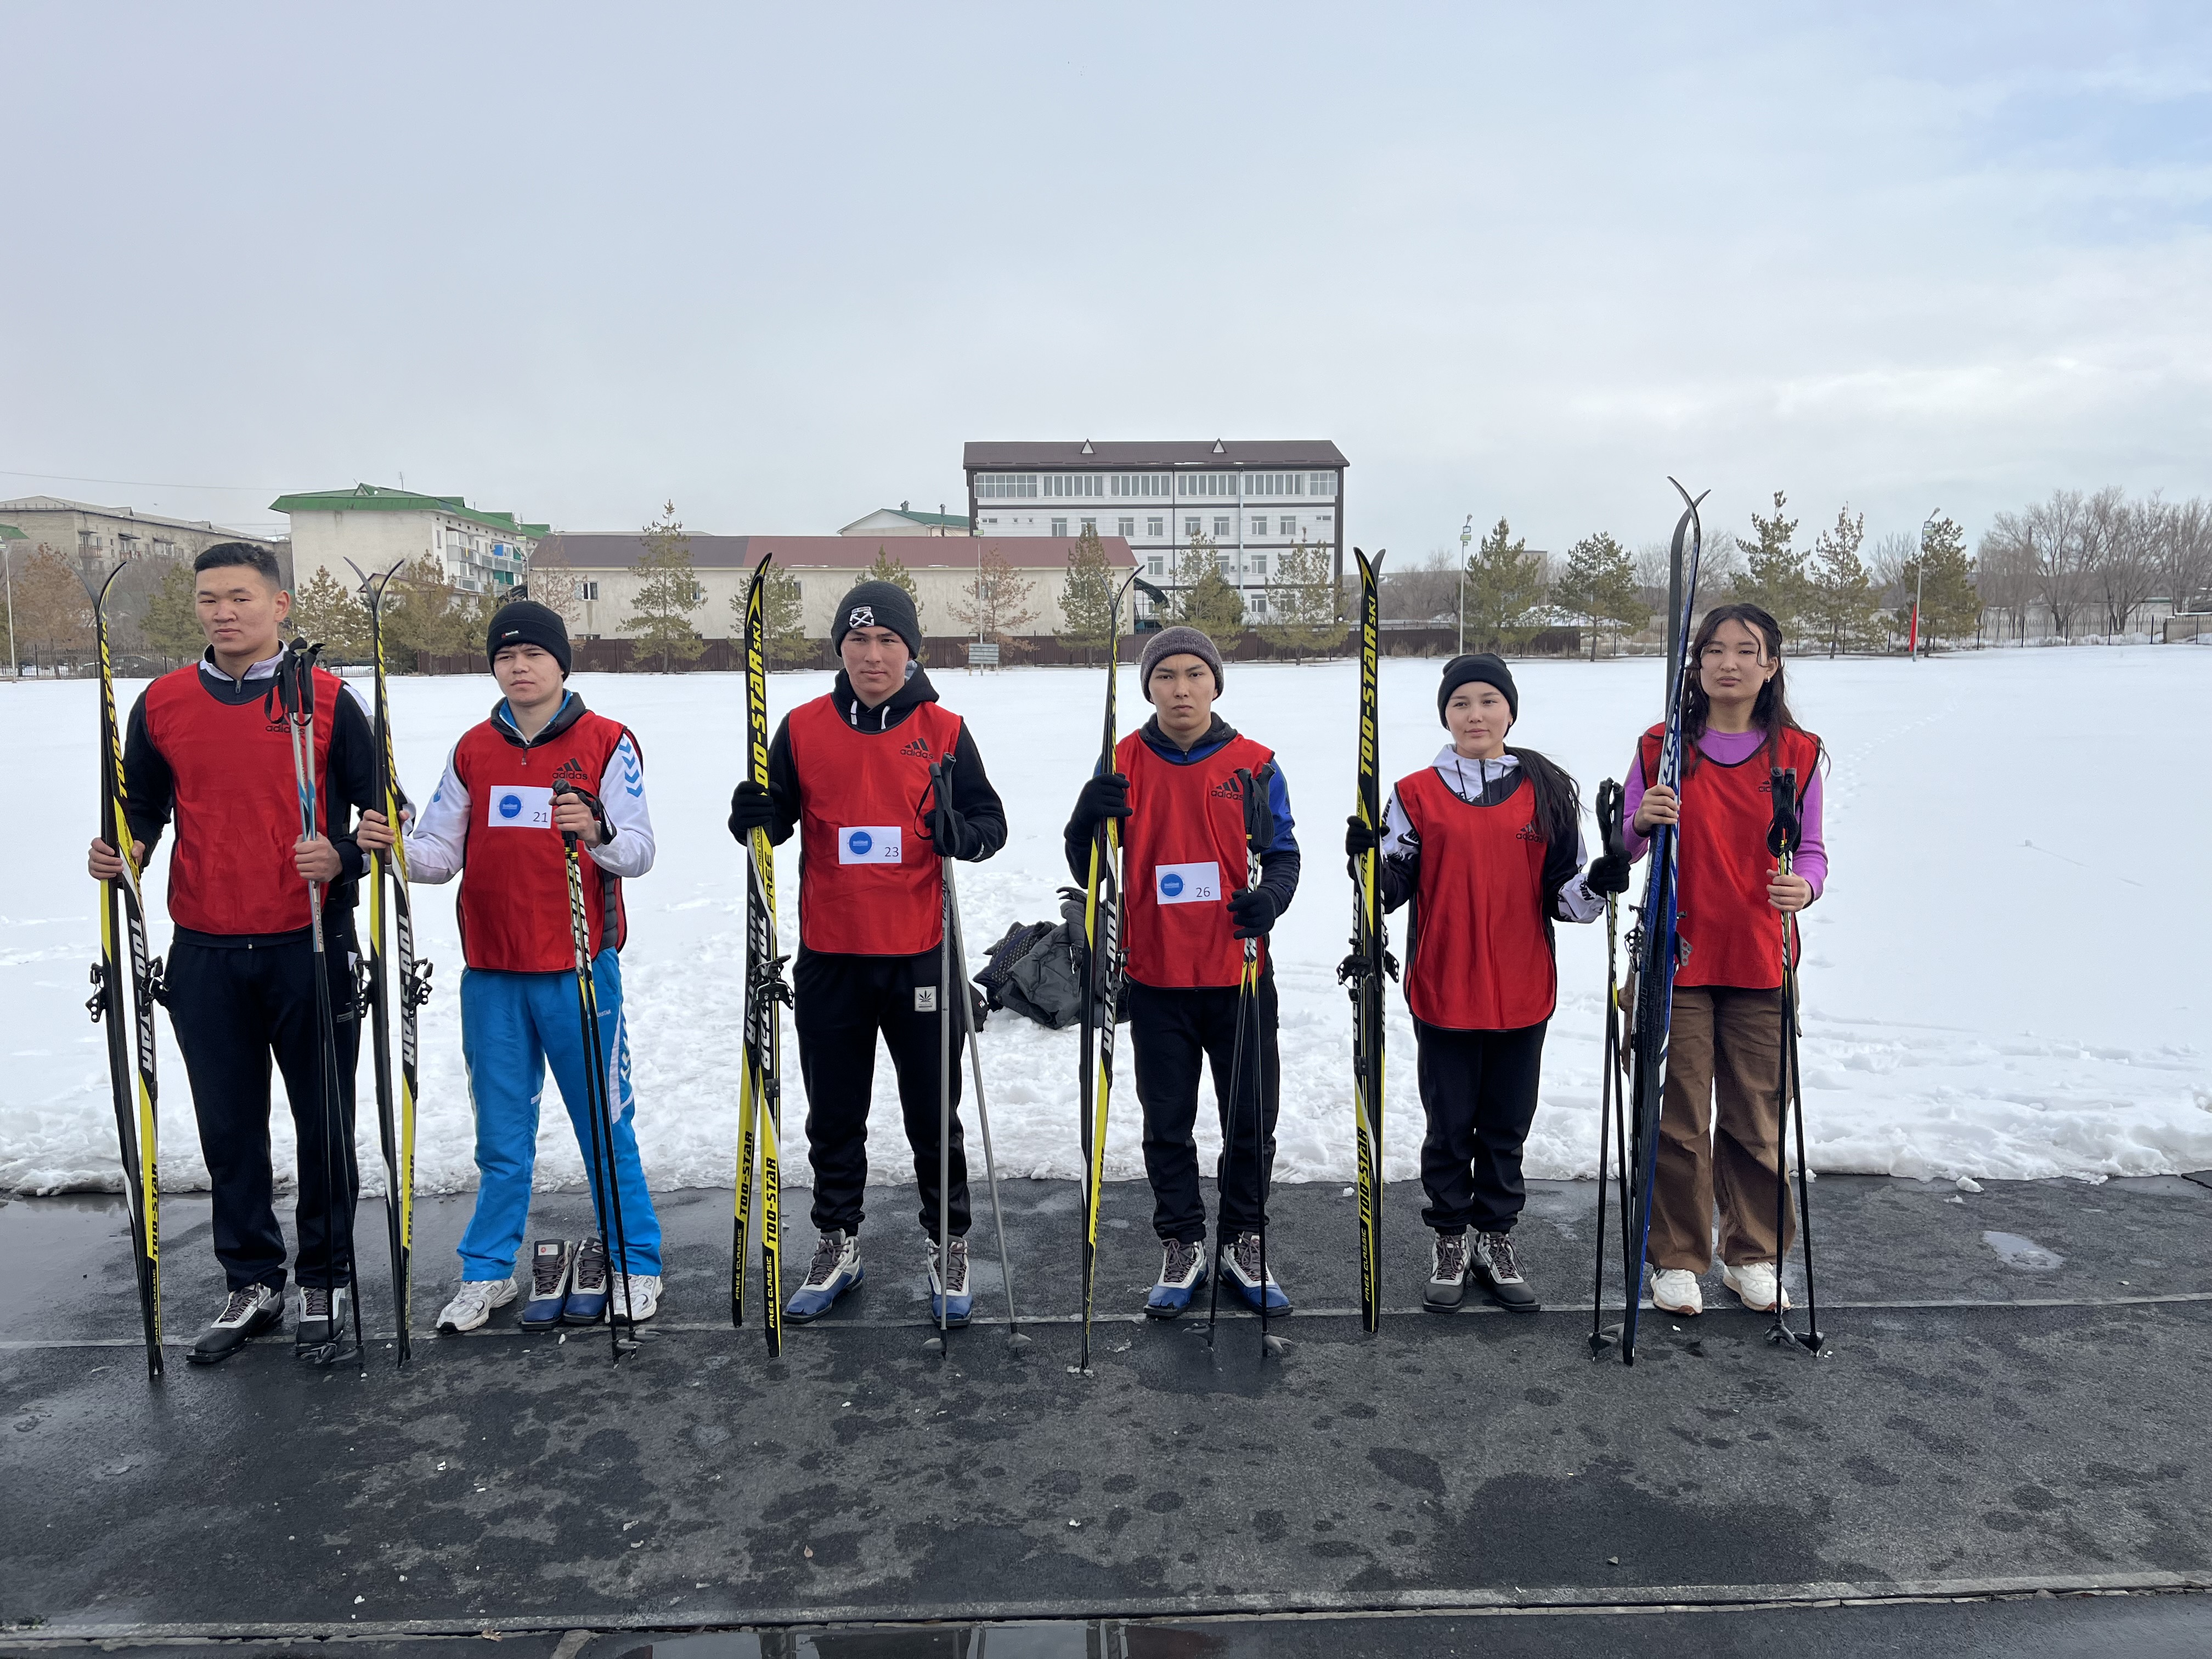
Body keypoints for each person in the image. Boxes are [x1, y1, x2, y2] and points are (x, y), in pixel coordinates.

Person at [86, 542, 381, 1364]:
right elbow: (144, 806)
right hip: (206, 949)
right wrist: (127, 849)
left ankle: (325, 1276)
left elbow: (385, 812)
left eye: (241, 598)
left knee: (325, 1123)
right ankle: (252, 1280)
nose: (224, 612)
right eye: (209, 599)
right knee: (229, 1130)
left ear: (279, 605)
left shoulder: (329, 699)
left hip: (308, 941)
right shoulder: (164, 702)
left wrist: (343, 857)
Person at [364, 599, 665, 1334]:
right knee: (500, 1138)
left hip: (578, 970)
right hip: (493, 973)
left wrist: (596, 829)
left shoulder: (607, 741)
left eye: (534, 655)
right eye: (505, 656)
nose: (519, 667)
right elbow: (441, 854)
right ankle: (488, 1271)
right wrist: (397, 846)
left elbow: (639, 851)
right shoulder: (474, 748)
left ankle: (636, 1261)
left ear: (561, 663)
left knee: (605, 1127)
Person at [726, 580, 1007, 1327]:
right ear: (841, 649)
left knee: (933, 1115)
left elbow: (991, 822)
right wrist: (751, 816)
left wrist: (963, 835)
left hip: (920, 953)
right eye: (858, 641)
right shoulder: (802, 728)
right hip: (831, 955)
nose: (873, 655)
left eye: (888, 641)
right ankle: (837, 1240)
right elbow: (776, 823)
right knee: (834, 1116)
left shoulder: (945, 730)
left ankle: (947, 1240)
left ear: (911, 651)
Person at [1347, 654, 1628, 1313]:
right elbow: (1390, 888)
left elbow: (1563, 896)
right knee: (1450, 1126)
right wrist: (1366, 860)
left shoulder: (1544, 790)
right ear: (1446, 716)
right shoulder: (1415, 794)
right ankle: (1450, 1238)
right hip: (1445, 986)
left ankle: (1495, 1238)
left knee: (1506, 1125)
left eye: (1488, 701)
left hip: (1522, 988)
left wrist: (1597, 881)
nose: (1475, 715)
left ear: (1510, 711)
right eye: (1461, 704)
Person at [1062, 624, 1300, 1319]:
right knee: (1167, 1123)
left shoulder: (1256, 764)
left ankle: (1245, 1239)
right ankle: (1183, 1241)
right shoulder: (1122, 761)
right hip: (1157, 978)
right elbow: (1090, 867)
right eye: (1166, 677)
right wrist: (1083, 820)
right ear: (1149, 689)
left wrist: (1271, 899)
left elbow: (1283, 855)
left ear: (1215, 684)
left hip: (1239, 975)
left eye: (1195, 674)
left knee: (1250, 1121)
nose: (1182, 689)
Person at [1624, 602, 1827, 1317]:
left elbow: (1811, 851)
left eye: (1746, 650)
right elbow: (1626, 844)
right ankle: (1677, 1258)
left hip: (1760, 956)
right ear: (1697, 663)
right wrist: (1641, 819)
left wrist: (1805, 887)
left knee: (1757, 1117)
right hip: (1677, 956)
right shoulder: (1662, 746)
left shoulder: (1797, 753)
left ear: (1771, 665)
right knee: (1678, 1119)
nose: (1729, 663)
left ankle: (1754, 1255)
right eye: (1714, 650)